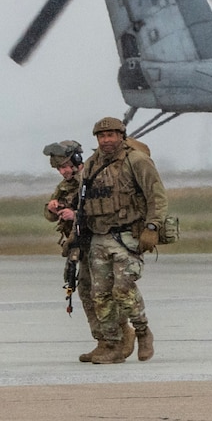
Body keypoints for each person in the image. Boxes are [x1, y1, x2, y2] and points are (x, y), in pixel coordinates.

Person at [74, 116, 169, 364]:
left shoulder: (137, 161)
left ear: (121, 136)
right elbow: (83, 202)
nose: (106, 140)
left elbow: (157, 197)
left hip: (127, 235)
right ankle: (113, 345)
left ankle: (142, 330)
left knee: (123, 289)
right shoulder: (92, 165)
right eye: (102, 136)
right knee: (100, 295)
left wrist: (152, 226)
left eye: (111, 135)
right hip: (99, 236)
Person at [44, 139, 135, 363]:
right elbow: (50, 213)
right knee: (86, 291)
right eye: (59, 168)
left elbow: (105, 210)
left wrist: (76, 216)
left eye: (66, 166)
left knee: (103, 292)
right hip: (81, 245)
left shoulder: (94, 179)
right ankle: (103, 341)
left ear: (77, 160)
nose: (63, 171)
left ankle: (122, 333)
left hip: (101, 242)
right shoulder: (66, 185)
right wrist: (53, 209)